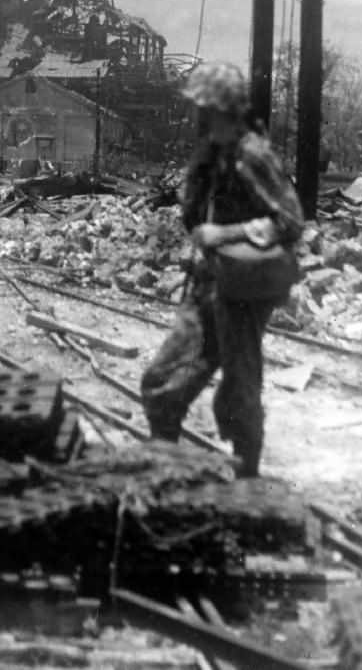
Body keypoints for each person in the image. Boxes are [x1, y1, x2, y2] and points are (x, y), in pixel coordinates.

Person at [139, 61, 304, 478]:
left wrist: (227, 233)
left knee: (239, 393)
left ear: (221, 109)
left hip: (244, 291)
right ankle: (167, 473)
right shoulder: (212, 155)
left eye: (203, 108)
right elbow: (193, 219)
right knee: (163, 382)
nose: (197, 116)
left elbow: (290, 221)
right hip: (208, 284)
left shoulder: (253, 155)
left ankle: (246, 481)